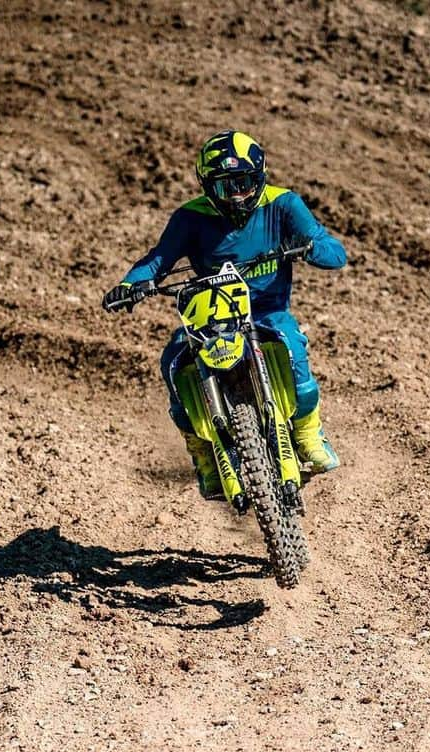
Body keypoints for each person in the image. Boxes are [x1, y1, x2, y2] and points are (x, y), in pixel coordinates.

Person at [102, 130, 347, 499]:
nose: (237, 194)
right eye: (225, 186)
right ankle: (202, 453)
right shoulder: (189, 217)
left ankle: (309, 434)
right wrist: (130, 285)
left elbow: (334, 251)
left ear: (259, 177)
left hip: (267, 313)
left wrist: (310, 248)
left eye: (245, 183)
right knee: (172, 361)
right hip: (212, 314)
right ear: (206, 187)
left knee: (294, 348)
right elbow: (158, 260)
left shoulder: (284, 204)